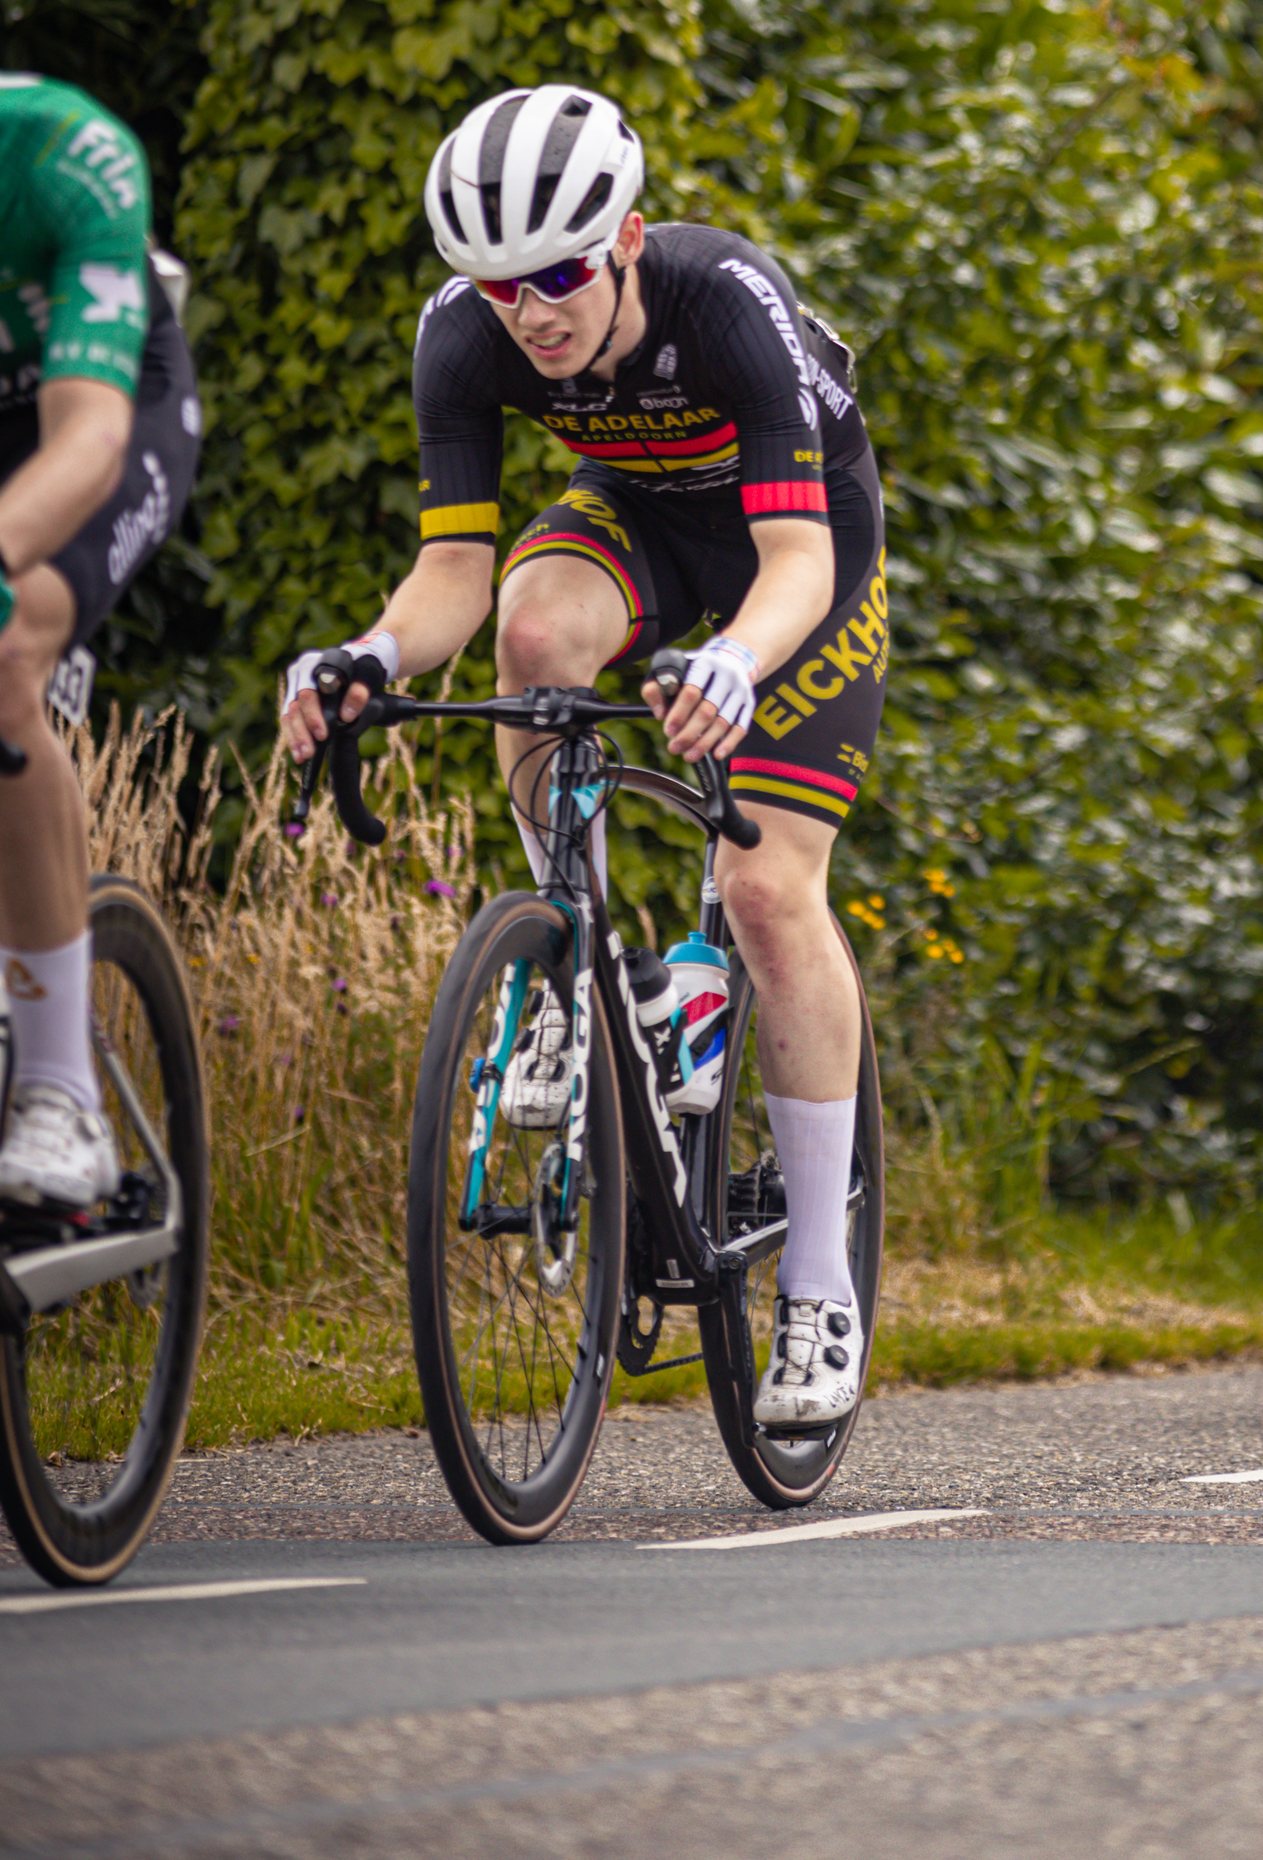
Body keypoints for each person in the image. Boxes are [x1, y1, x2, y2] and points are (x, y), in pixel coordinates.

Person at [281, 86, 887, 1429]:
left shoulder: (725, 297)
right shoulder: (468, 335)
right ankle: (582, 956)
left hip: (798, 550)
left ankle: (822, 1287)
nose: (532, 310)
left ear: (626, 239)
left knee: (770, 895)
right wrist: (371, 654)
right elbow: (452, 574)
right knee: (534, 633)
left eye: (559, 271)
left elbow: (797, 562)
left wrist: (734, 662)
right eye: (500, 285)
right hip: (638, 522)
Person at [0, 72, 202, 1209]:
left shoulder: (60, 152)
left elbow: (87, 441)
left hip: (94, 412)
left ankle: (61, 1093)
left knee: (2, 649)